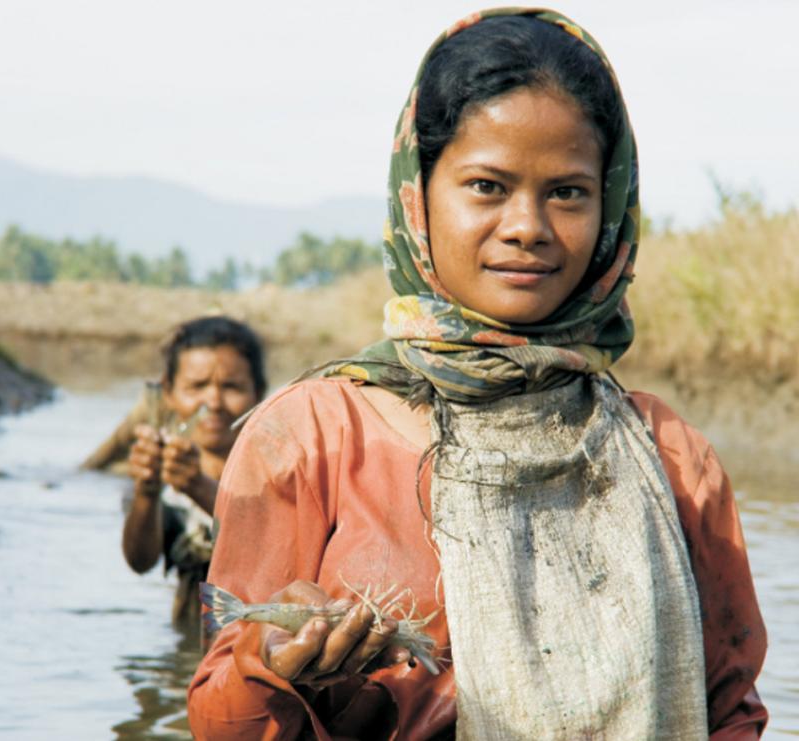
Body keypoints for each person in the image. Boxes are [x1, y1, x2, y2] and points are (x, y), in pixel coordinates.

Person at [188, 9, 767, 739]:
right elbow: (220, 724)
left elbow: (729, 710)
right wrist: (270, 664)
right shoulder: (310, 438)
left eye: (568, 192)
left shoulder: (669, 456)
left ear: (611, 206)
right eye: (488, 186)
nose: (528, 225)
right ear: (419, 194)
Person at [122, 315, 266, 624]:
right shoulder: (159, 466)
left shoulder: (281, 473)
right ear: (169, 392)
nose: (213, 402)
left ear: (259, 393)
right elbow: (140, 562)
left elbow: (271, 538)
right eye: (197, 386)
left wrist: (198, 487)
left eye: (231, 387)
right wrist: (146, 493)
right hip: (189, 637)